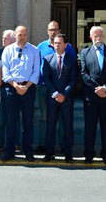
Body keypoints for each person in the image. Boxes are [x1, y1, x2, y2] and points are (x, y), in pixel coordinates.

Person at [79, 26, 106, 164]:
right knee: (90, 126)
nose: (98, 38)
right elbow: (83, 73)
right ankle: (89, 154)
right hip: (91, 96)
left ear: (104, 36)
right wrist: (97, 88)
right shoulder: (85, 52)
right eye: (95, 35)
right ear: (90, 37)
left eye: (100, 35)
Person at [36, 21, 77, 153]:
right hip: (45, 88)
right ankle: (45, 146)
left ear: (59, 31)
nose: (53, 32)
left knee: (63, 120)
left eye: (55, 29)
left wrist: (64, 93)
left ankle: (63, 146)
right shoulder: (41, 47)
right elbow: (38, 67)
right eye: (51, 29)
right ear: (47, 31)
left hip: (65, 90)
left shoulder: (68, 48)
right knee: (45, 118)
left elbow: (72, 71)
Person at [1, 25, 40, 162]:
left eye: (24, 34)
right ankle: (9, 151)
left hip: (28, 89)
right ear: (15, 35)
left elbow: (36, 71)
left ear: (26, 35)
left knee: (28, 122)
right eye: (19, 34)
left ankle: (28, 151)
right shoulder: (7, 50)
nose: (22, 37)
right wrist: (16, 85)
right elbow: (5, 71)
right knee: (11, 121)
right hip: (11, 88)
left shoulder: (34, 50)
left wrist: (26, 86)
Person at [0, 29, 15, 152]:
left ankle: (13, 143)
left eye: (6, 38)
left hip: (12, 89)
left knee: (13, 118)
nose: (3, 40)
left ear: (13, 40)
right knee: (0, 118)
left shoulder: (17, 52)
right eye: (3, 37)